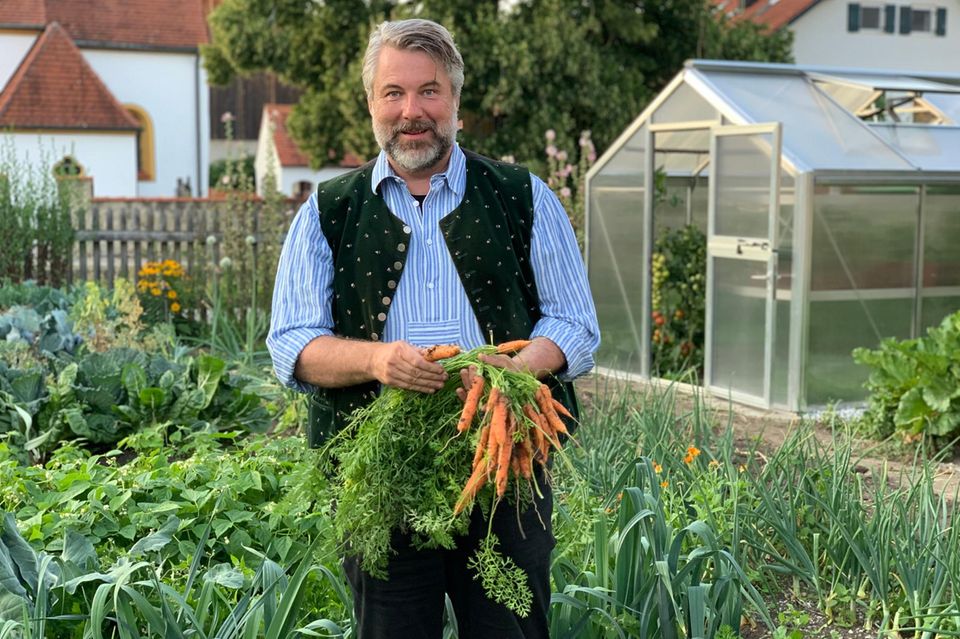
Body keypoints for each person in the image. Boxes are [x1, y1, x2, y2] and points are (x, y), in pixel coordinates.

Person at [267, 18, 599, 639]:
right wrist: (375, 362)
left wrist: (520, 369)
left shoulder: (523, 196)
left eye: (429, 91)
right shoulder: (327, 211)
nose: (411, 111)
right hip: (381, 478)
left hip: (507, 468)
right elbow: (291, 343)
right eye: (393, 93)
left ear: (455, 102)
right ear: (371, 103)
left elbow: (576, 324)